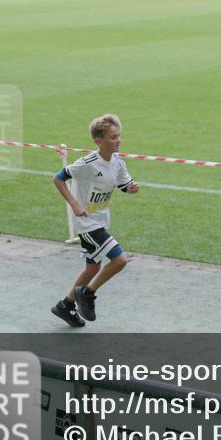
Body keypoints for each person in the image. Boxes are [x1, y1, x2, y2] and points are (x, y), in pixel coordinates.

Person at [50, 114, 139, 327]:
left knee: (92, 269)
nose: (119, 140)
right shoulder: (87, 163)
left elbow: (123, 184)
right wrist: (74, 204)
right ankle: (87, 294)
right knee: (120, 260)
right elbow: (58, 178)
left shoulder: (118, 162)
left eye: (119, 136)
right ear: (99, 141)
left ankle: (65, 305)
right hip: (87, 222)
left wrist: (131, 189)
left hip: (101, 220)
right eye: (113, 137)